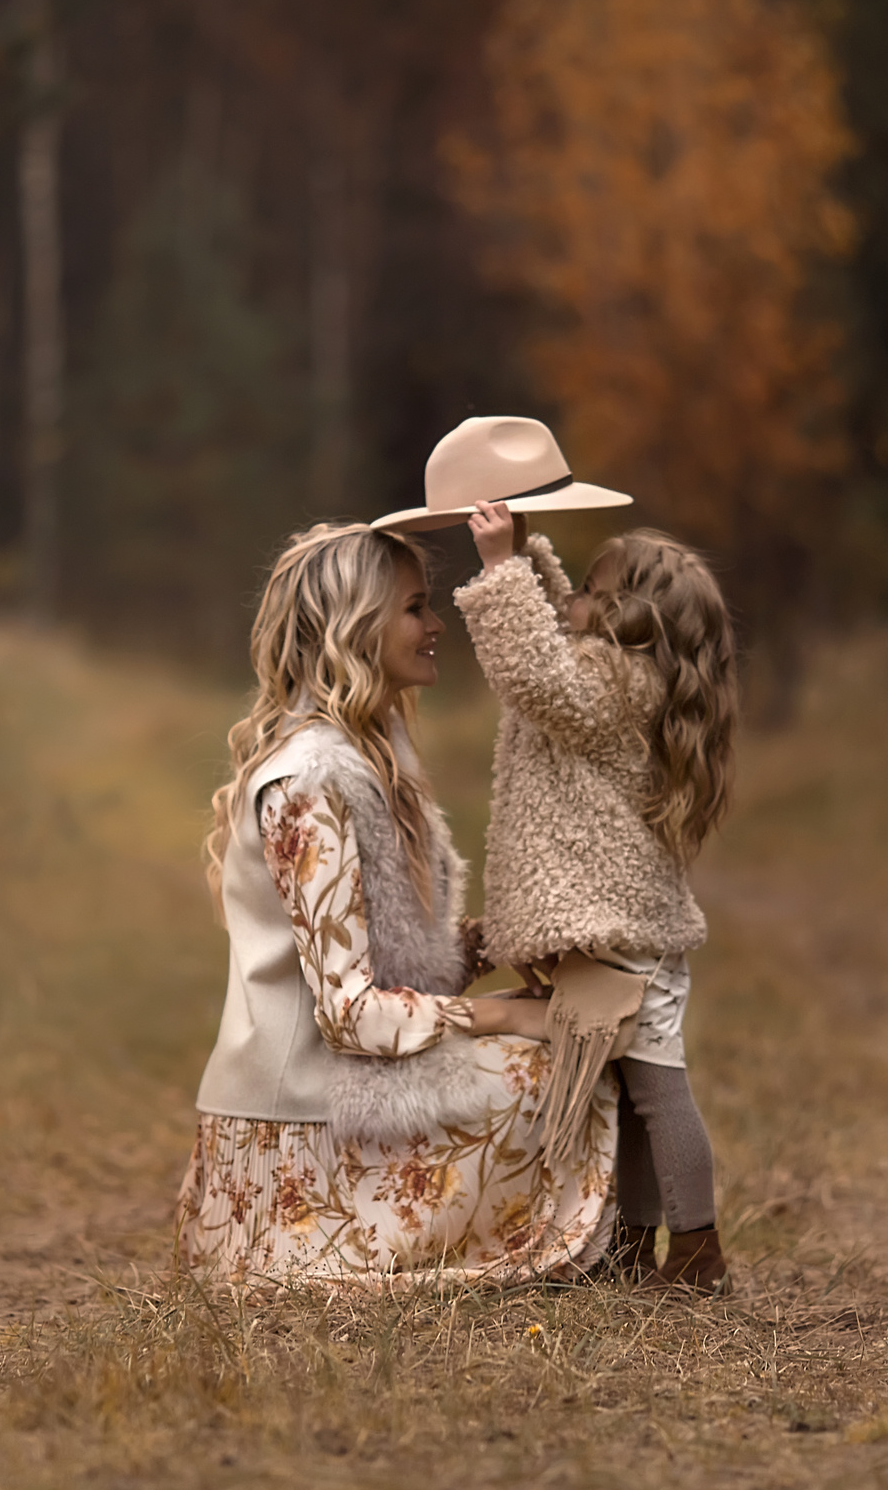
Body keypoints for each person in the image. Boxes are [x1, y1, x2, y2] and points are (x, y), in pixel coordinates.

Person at [173, 520, 621, 1286]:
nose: (436, 622)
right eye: (416, 607)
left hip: (334, 1092)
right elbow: (349, 1012)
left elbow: (400, 961)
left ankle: (599, 1244)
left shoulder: (368, 756)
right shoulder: (311, 780)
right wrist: (507, 1013)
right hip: (299, 1128)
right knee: (556, 1070)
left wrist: (510, 943)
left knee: (571, 1043)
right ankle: (558, 1252)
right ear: (356, 627)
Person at [453, 502, 740, 1295]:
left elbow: (533, 670)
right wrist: (531, 567)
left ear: (624, 616)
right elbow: (552, 644)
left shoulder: (612, 681)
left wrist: (499, 569)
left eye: (585, 588)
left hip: (623, 938)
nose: (571, 599)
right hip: (625, 932)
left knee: (658, 1092)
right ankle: (629, 1245)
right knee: (638, 1095)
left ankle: (697, 1252)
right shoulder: (623, 673)